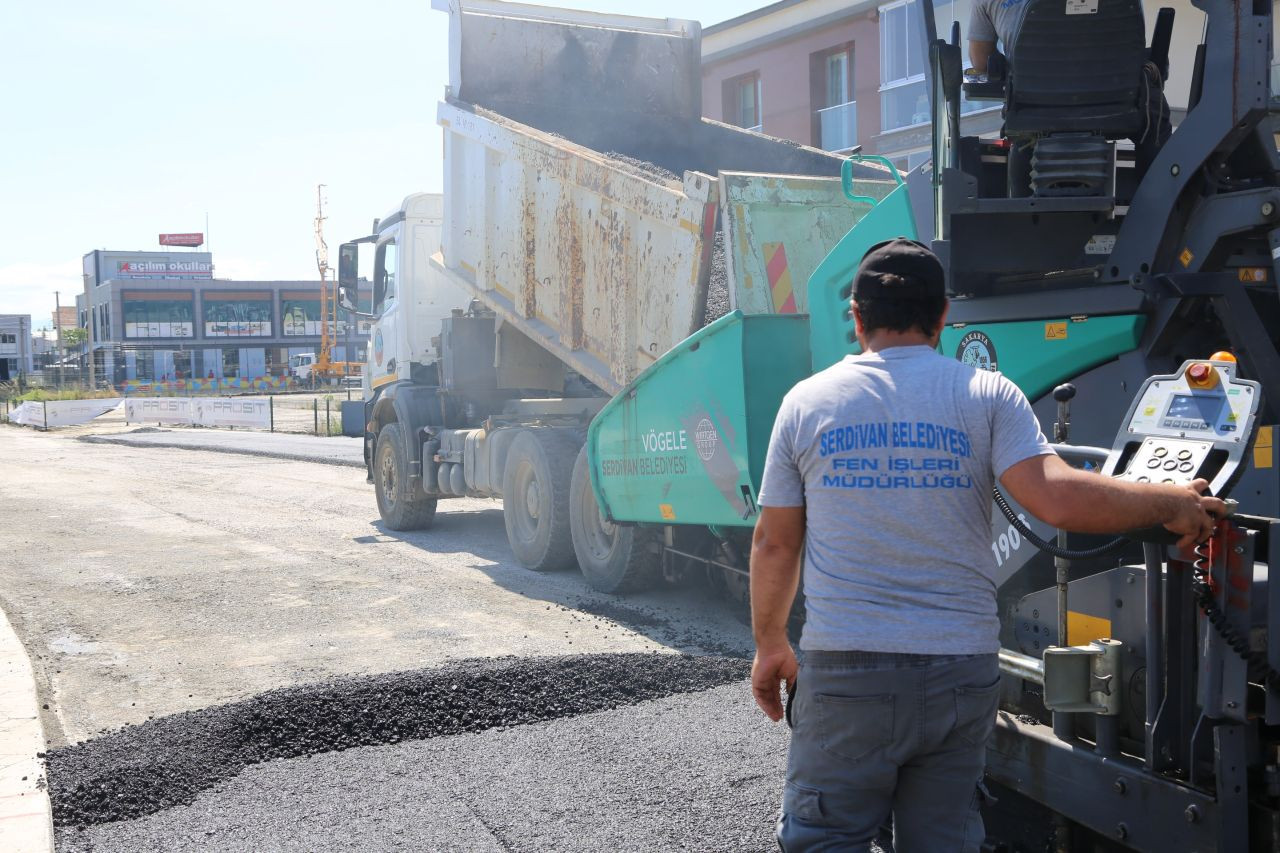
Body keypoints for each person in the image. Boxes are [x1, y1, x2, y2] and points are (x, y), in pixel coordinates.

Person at [750, 238, 1222, 852]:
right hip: (960, 672)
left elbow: (775, 543)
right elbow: (1057, 498)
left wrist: (770, 646)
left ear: (857, 318)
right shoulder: (987, 395)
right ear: (944, 315)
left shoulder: (805, 404)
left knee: (825, 839)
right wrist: (1173, 503)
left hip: (848, 672)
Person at [968, 0, 1171, 181]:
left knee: (1022, 138)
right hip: (1117, 105)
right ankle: (1157, 199)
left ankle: (1018, 207)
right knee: (1155, 121)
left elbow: (981, 62)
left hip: (1034, 110)